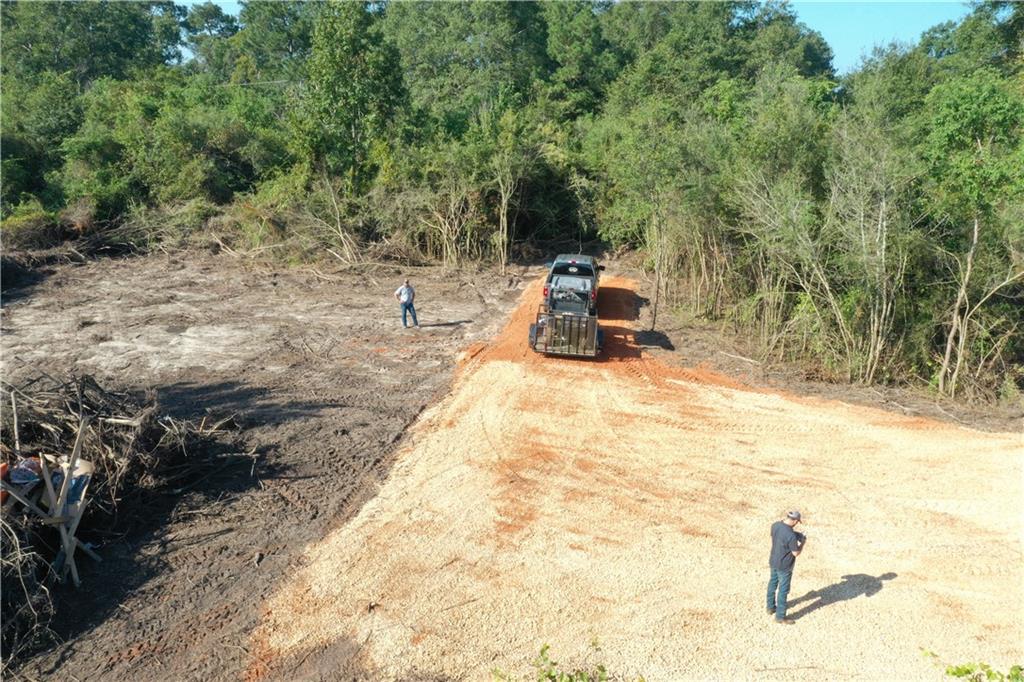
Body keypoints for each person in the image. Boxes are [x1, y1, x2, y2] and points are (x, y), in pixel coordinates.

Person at [767, 509, 806, 624]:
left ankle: (770, 607)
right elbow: (795, 553)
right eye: (797, 522)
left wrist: (795, 535)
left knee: (772, 584)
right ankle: (780, 617)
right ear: (795, 521)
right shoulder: (791, 536)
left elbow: (782, 534)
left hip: (773, 561)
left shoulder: (775, 525)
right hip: (784, 566)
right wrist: (802, 542)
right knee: (783, 590)